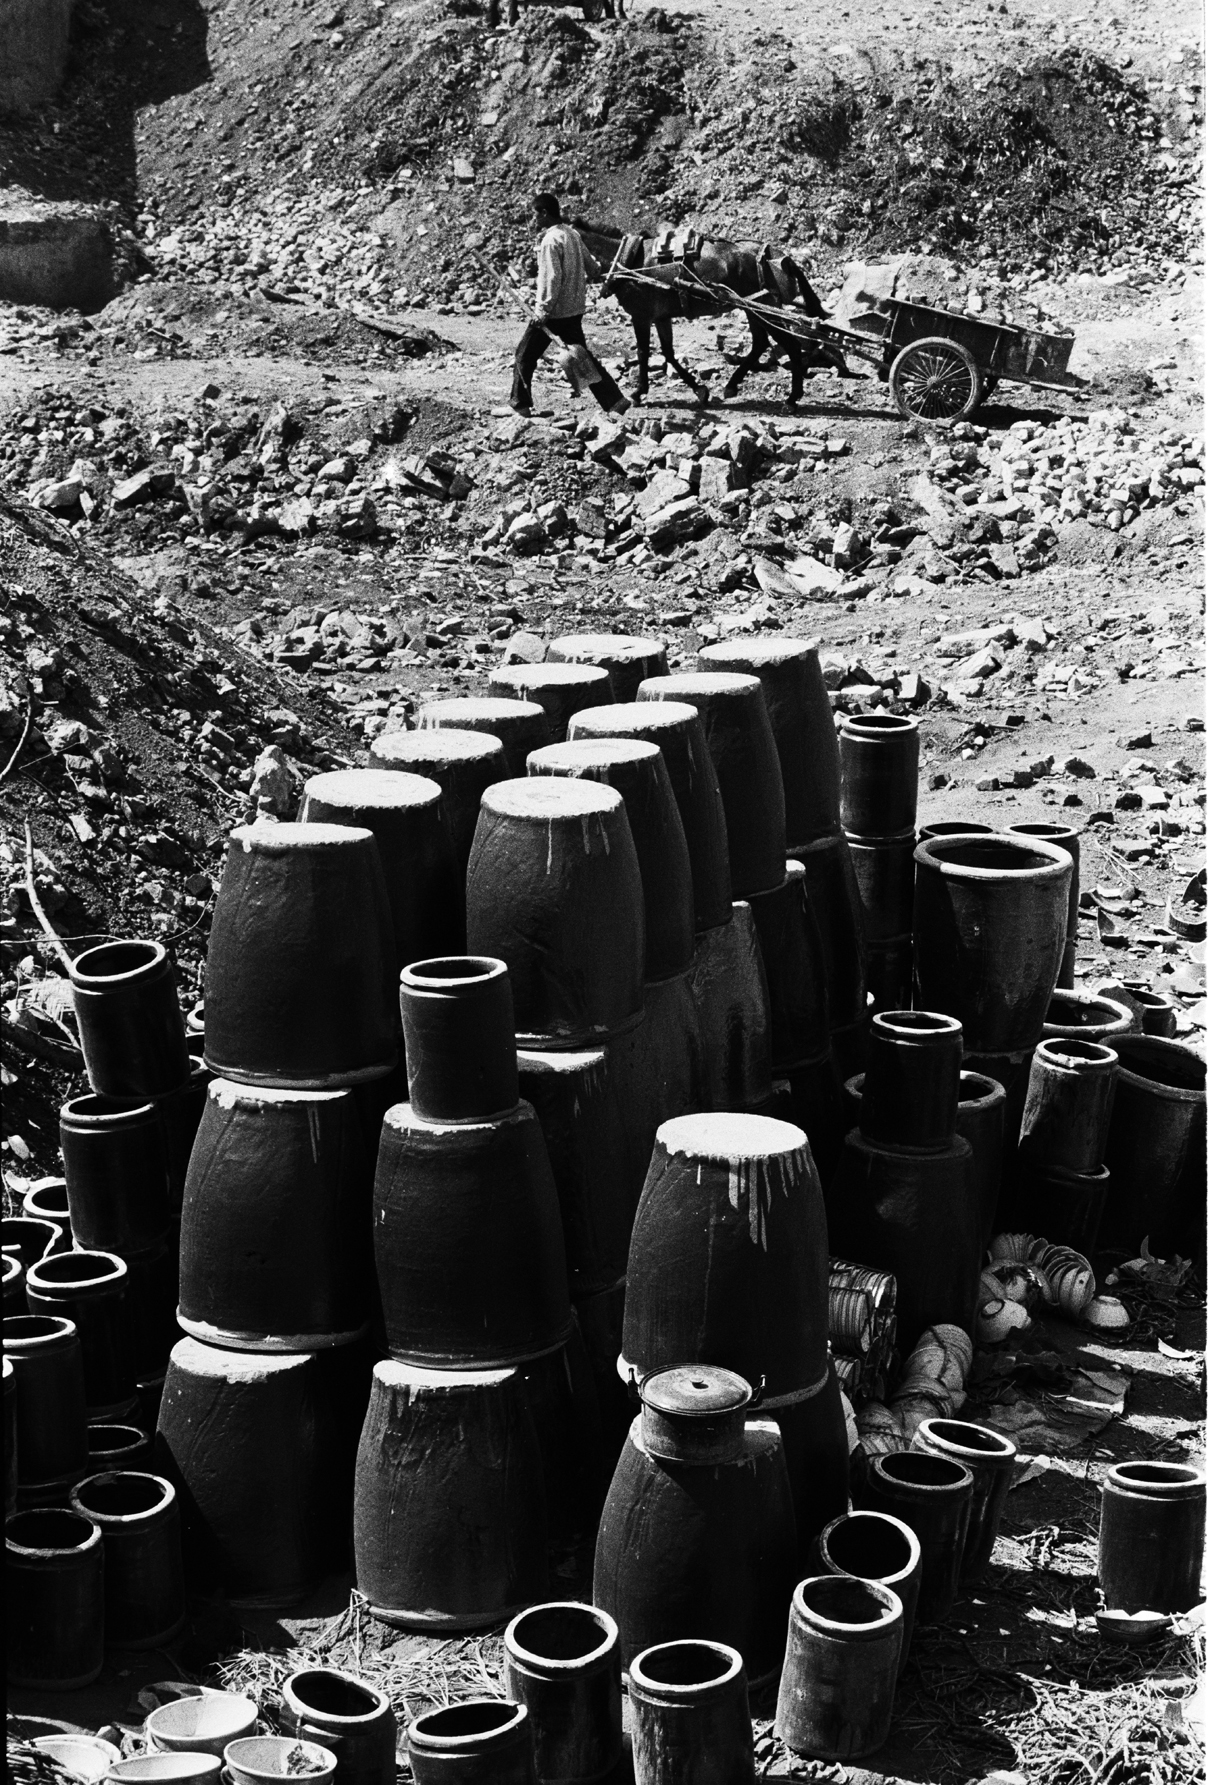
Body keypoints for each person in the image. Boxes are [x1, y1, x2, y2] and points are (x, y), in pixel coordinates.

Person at [510, 193, 602, 415]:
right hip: (575, 310)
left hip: (554, 314)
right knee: (584, 359)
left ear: (544, 213)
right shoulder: (572, 234)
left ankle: (520, 405)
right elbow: (593, 268)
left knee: (524, 354)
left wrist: (542, 311)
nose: (534, 221)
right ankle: (615, 401)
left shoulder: (550, 240)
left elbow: (552, 278)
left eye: (535, 215)